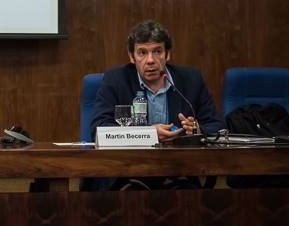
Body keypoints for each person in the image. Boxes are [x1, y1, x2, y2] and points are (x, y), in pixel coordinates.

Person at [88, 20, 225, 190]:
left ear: (167, 54)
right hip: (129, 170)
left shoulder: (191, 80)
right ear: (132, 57)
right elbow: (99, 128)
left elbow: (217, 126)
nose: (150, 60)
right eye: (142, 53)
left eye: (157, 51)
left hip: (178, 170)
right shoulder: (115, 81)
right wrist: (149, 133)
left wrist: (196, 130)